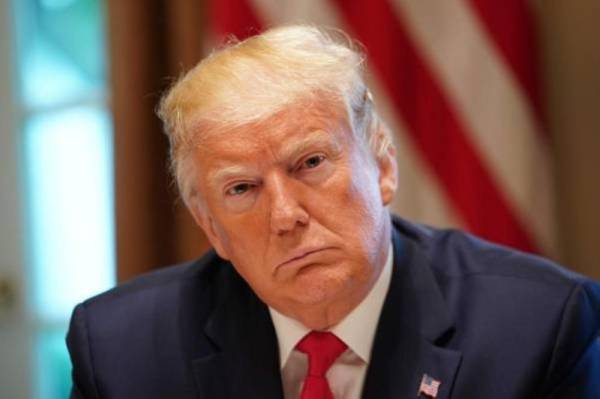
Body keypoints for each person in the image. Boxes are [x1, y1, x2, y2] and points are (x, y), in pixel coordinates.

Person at [67, 25, 600, 399]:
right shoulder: (122, 351)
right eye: (242, 188)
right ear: (211, 227)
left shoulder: (539, 327)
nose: (284, 215)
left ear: (384, 166)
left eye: (310, 163)